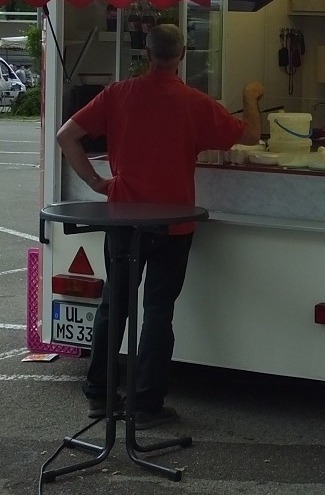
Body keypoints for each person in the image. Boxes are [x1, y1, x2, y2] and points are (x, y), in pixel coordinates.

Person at [56, 24, 263, 429]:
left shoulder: (118, 95)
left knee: (114, 305)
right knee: (157, 312)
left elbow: (67, 137)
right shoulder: (195, 102)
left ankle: (99, 395)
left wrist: (98, 184)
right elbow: (252, 135)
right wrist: (250, 97)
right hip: (172, 226)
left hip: (124, 219)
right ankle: (147, 404)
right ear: (182, 54)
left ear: (146, 54)